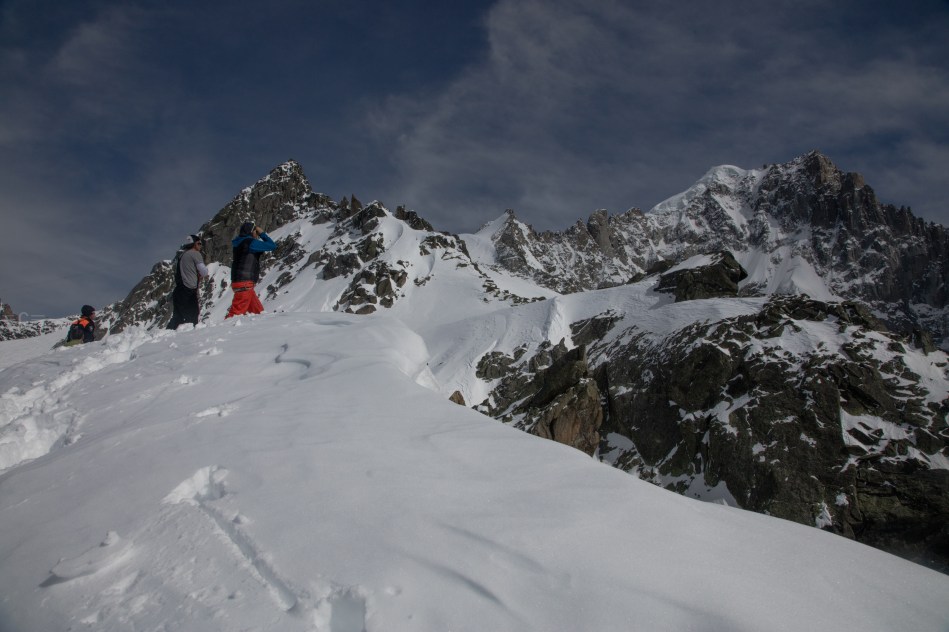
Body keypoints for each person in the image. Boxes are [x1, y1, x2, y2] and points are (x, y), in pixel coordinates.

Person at [226, 222, 276, 318]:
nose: (256, 234)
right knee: (234, 316)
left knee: (259, 313)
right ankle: (218, 332)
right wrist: (262, 233)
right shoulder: (250, 243)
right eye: (255, 231)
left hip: (239, 282)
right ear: (252, 231)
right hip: (244, 283)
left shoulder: (239, 243)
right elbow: (272, 246)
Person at [167, 234, 209, 330]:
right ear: (194, 244)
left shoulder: (182, 255)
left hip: (179, 290)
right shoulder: (195, 254)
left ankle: (163, 338)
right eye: (199, 243)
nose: (201, 245)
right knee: (192, 318)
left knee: (178, 318)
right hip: (188, 291)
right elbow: (204, 272)